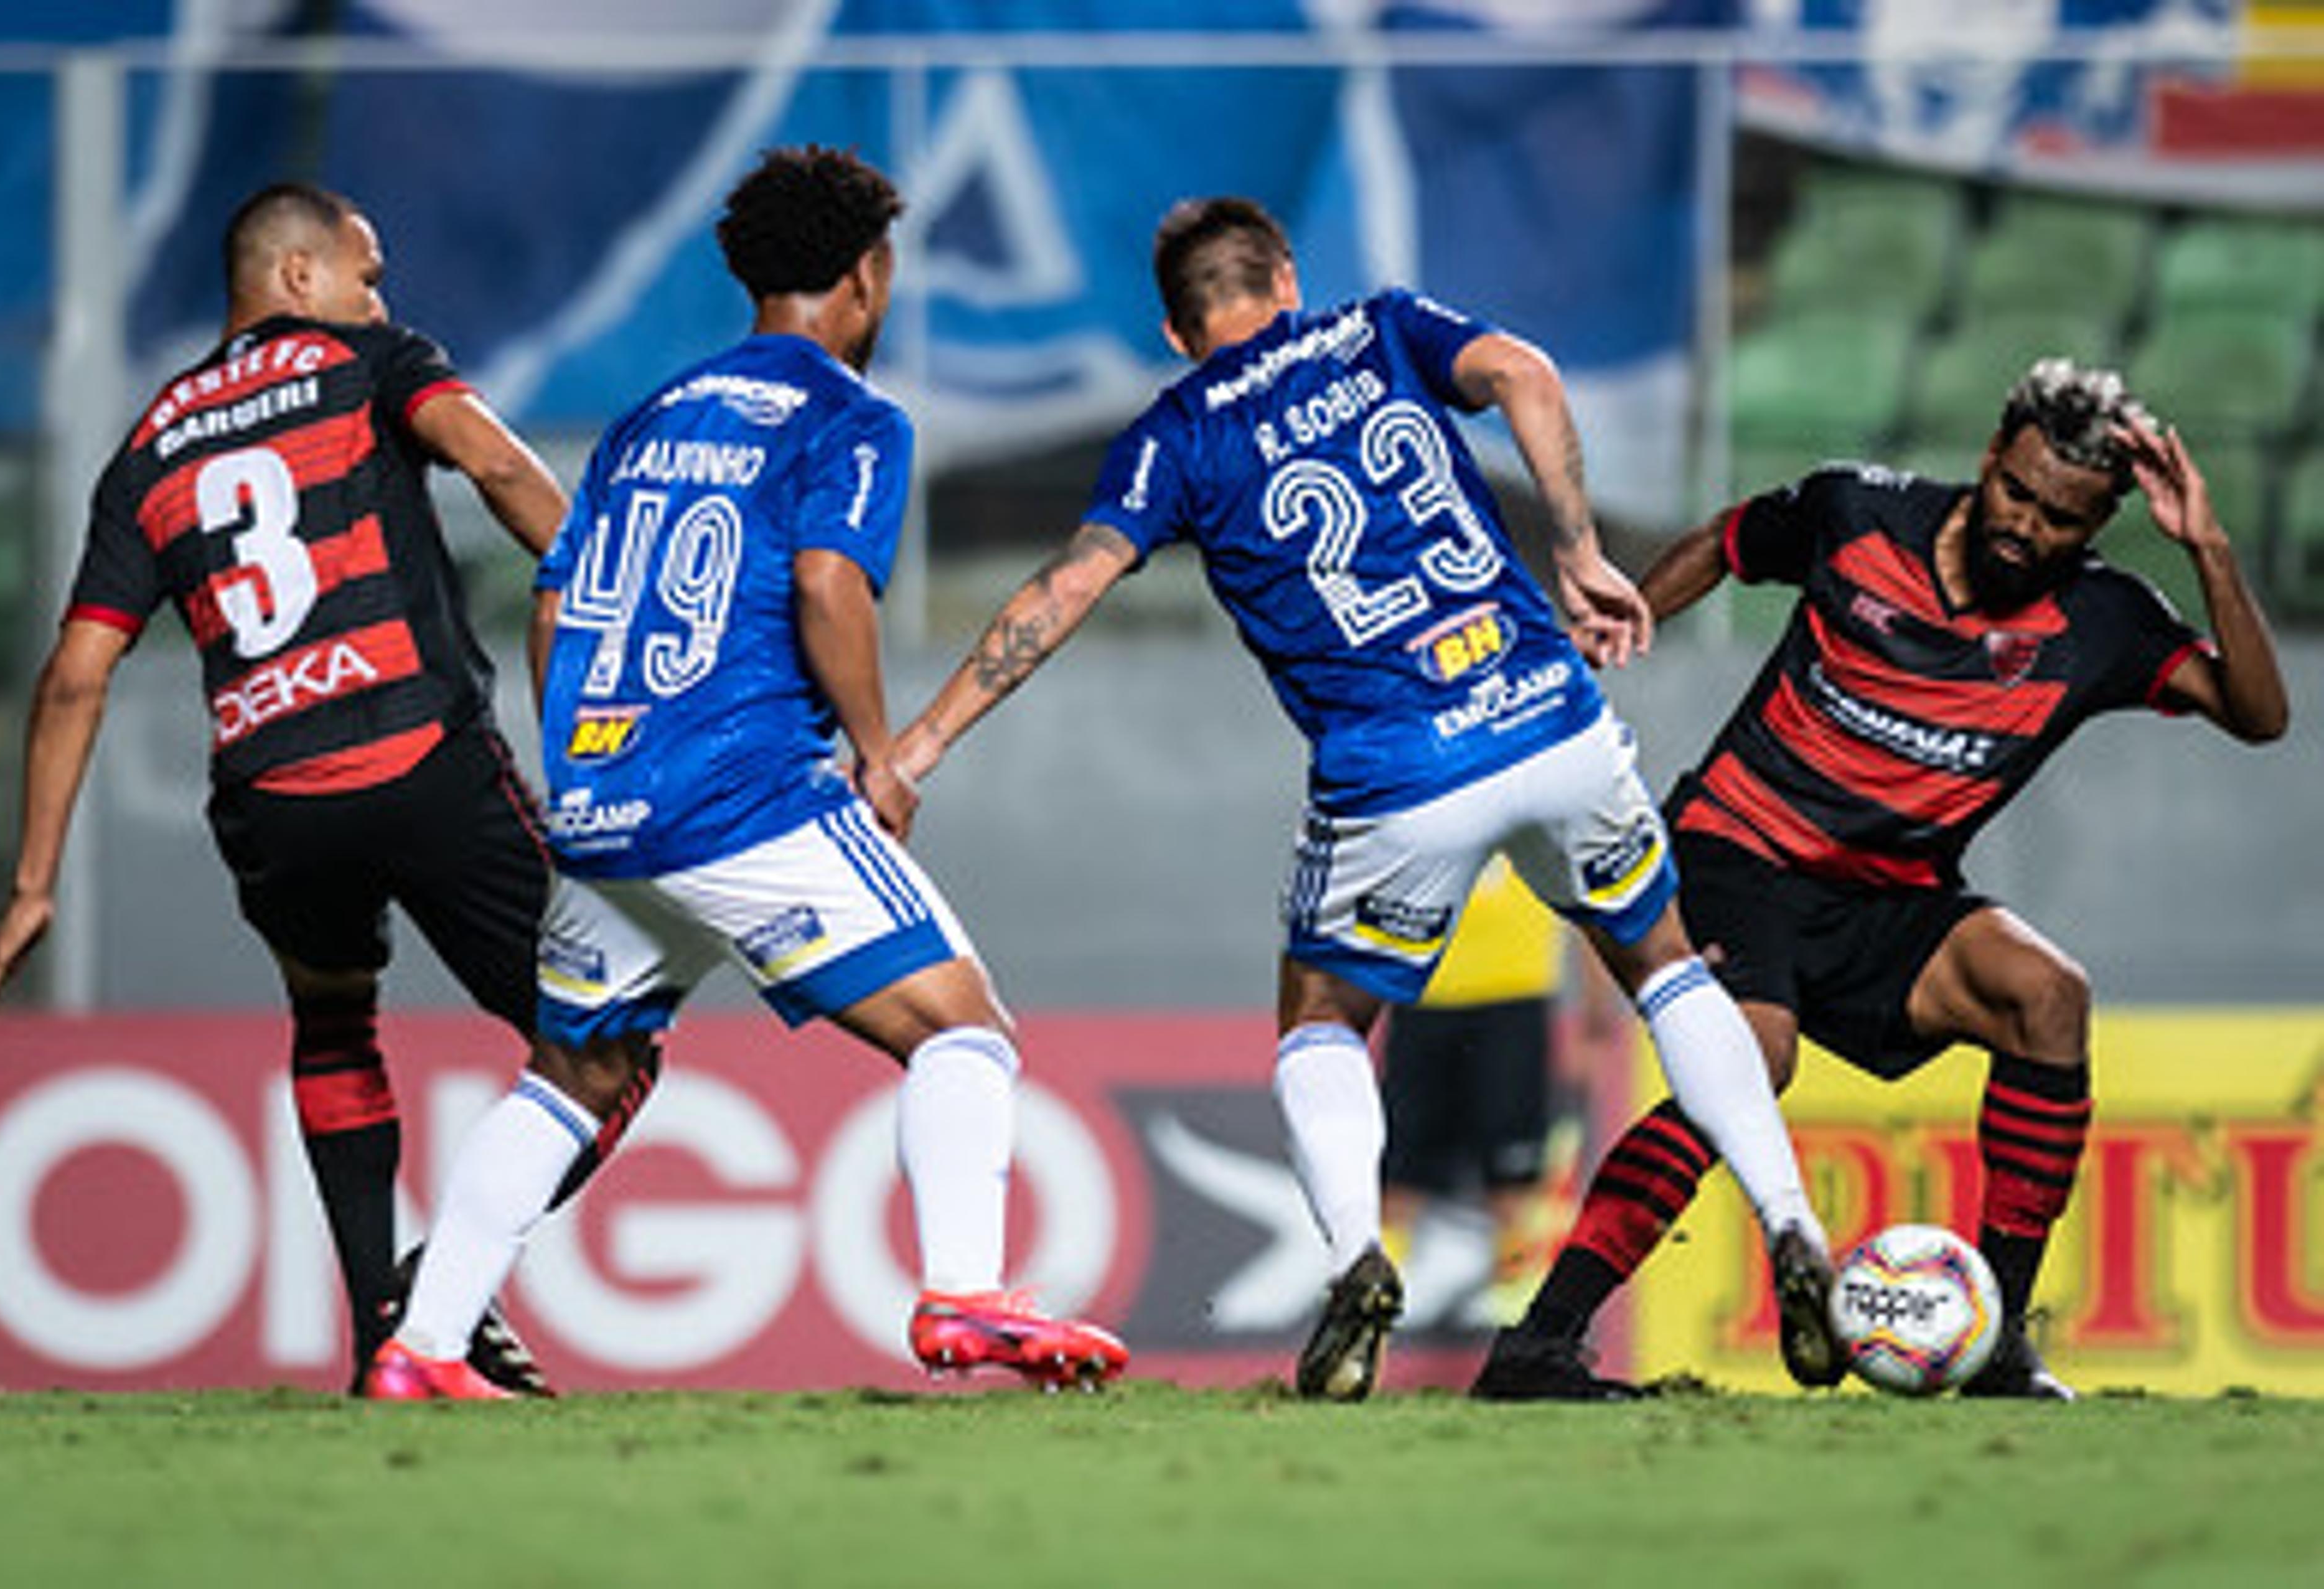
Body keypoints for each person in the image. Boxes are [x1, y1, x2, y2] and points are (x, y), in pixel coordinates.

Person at [885, 195, 1838, 1404]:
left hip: (1397, 772)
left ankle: (1354, 1260)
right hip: (1547, 712)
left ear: (1179, 335)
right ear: (1287, 280)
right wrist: (1584, 549)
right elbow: (1526, 372)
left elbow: (1067, 586)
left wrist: (920, 742)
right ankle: (1791, 1219)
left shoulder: (1174, 433)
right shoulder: (1382, 330)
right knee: (1666, 969)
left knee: (1321, 1022)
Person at [363, 146, 1127, 1400]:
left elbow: (554, 609)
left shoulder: (648, 416)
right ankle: (965, 1295)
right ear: (868, 277)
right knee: (963, 1033)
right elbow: (828, 584)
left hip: (606, 801)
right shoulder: (851, 416)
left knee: (573, 1075)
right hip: (744, 792)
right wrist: (881, 754)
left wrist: (593, 768)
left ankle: (426, 1345)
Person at [1471, 359, 2289, 1402]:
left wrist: (2209, 548)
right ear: (1992, 458)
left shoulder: (2104, 623)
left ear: (2094, 528)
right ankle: (1539, 1344)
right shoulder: (1859, 516)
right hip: (1736, 852)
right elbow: (1728, 542)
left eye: (2060, 520)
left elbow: (2260, 715)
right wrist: (1606, 634)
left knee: (2048, 996)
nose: (2025, 528)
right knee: (1752, 1056)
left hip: (1886, 898)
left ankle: (1995, 1343)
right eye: (2017, 494)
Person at [0, 182, 639, 1394]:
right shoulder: (374, 363)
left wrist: (30, 881)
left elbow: (75, 675)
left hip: (274, 794)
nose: (382, 297)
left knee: (333, 1022)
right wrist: (617, 592)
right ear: (298, 279)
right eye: (367, 274)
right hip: (419, 755)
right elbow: (491, 458)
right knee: (611, 1044)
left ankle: (380, 1334)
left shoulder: (147, 449)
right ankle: (433, 1299)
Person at [1377, 854, 1586, 1328]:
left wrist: (1592, 1017)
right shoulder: (1423, 795)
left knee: (1513, 1169)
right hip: (1425, 996)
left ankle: (1516, 1308)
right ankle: (1375, 1294)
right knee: (1401, 1169)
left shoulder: (1537, 802)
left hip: (1515, 995)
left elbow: (1587, 902)